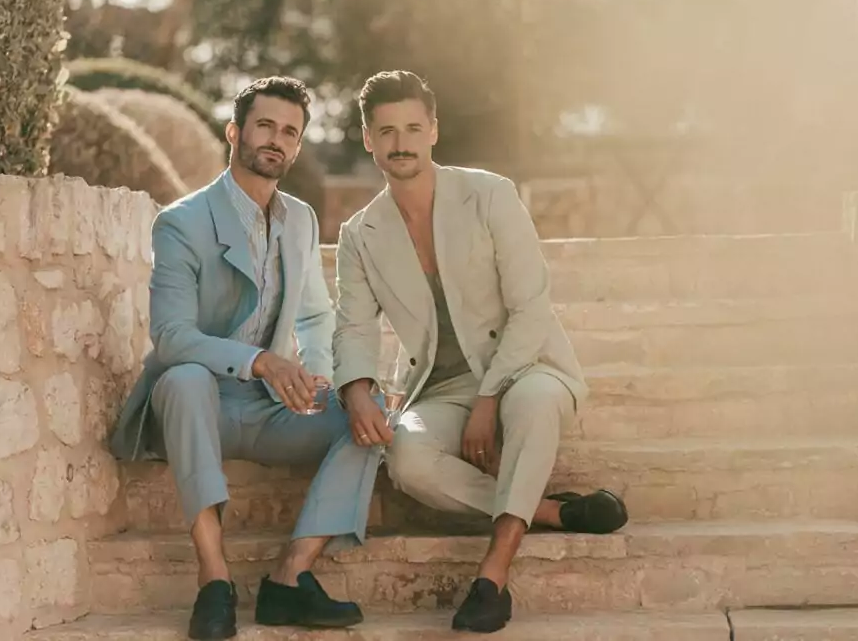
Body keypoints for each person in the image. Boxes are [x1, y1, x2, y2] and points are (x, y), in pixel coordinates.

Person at [332, 70, 629, 634]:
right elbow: (353, 327)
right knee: (407, 460)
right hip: (440, 386)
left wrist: (490, 398)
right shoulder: (359, 234)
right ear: (369, 139)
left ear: (433, 131)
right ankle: (552, 510)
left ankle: (493, 575)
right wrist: (356, 390)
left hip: (525, 366)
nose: (401, 143)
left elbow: (530, 306)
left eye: (413, 128)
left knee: (535, 404)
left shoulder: (489, 194)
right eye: (387, 131)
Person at [108, 76, 379, 640]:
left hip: (268, 408)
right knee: (184, 378)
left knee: (369, 415)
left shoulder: (301, 219)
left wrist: (322, 378)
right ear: (235, 132)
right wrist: (261, 361)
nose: (276, 140)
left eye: (290, 132)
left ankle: (291, 576)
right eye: (265, 126)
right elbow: (172, 337)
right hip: (195, 405)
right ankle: (214, 580)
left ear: (297, 145)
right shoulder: (182, 221)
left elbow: (315, 317)